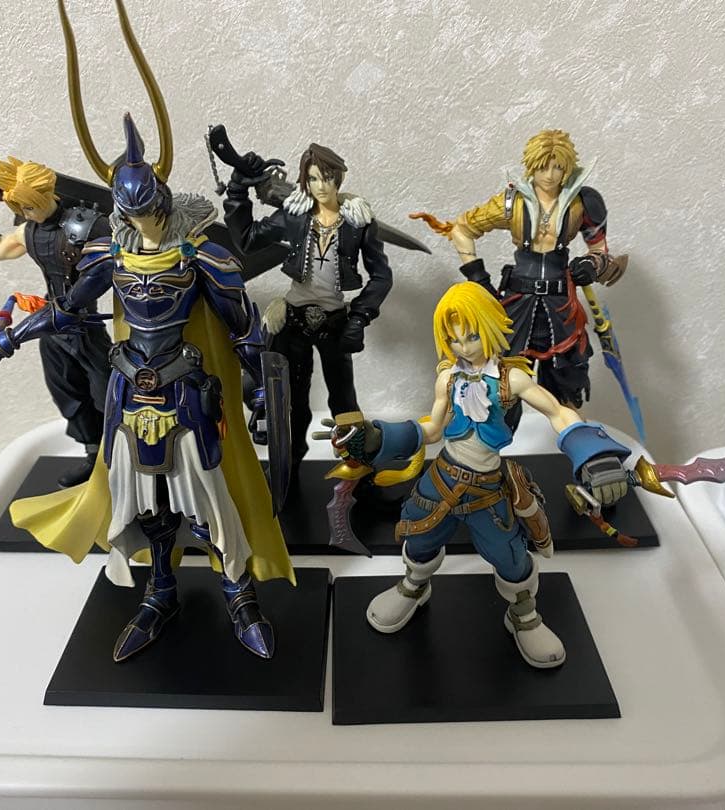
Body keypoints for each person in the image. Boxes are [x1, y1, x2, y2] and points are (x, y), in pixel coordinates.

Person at [0, 114, 293, 662]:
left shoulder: (202, 258)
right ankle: (159, 591)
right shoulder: (109, 256)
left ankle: (239, 595)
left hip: (185, 393)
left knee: (209, 503)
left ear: (163, 203)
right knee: (145, 504)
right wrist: (5, 341)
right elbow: (67, 310)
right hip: (127, 393)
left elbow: (242, 330)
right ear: (120, 211)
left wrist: (259, 391)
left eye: (149, 211)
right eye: (132, 213)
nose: (143, 222)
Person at [318, 282, 630, 668]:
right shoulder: (448, 379)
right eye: (453, 338)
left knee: (509, 556)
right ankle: (414, 586)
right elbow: (432, 429)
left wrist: (595, 455)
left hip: (488, 488)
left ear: (490, 327)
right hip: (443, 478)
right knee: (419, 537)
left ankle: (523, 614)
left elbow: (557, 411)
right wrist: (377, 437)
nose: (463, 347)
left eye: (471, 336)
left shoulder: (512, 380)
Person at [413, 130, 625, 410]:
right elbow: (462, 229)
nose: (549, 175)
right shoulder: (513, 202)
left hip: (562, 305)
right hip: (516, 302)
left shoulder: (582, 202)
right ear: (531, 166)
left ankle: (573, 433)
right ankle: (497, 435)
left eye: (557, 167)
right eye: (543, 166)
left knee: (566, 382)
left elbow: (600, 250)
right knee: (501, 383)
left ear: (567, 168)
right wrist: (479, 279)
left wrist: (592, 264)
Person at [223, 144, 392, 477]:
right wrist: (237, 190)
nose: (321, 185)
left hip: (335, 322)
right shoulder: (295, 215)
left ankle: (358, 468)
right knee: (291, 401)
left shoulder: (358, 222)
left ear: (339, 178)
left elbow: (382, 276)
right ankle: (287, 465)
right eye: (313, 178)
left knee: (344, 402)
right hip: (294, 321)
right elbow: (247, 239)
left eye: (327, 177)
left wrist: (360, 316)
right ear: (305, 181)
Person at [0, 157, 112, 486]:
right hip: (52, 329)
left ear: (46, 194)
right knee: (68, 392)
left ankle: (119, 459)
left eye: (28, 206)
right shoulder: (29, 231)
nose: (25, 213)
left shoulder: (89, 226)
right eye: (19, 208)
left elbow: (108, 273)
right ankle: (93, 457)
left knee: (107, 393)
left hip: (84, 324)